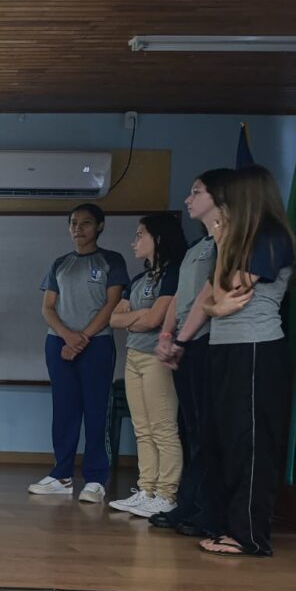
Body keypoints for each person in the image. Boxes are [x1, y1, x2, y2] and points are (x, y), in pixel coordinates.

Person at [193, 165, 296, 557]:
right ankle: (229, 526)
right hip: (226, 348)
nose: (222, 205)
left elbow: (227, 292)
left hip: (256, 349)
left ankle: (250, 534)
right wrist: (215, 305)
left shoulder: (271, 238)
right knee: (223, 441)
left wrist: (217, 303)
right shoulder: (237, 240)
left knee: (250, 443)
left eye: (227, 197)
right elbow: (212, 302)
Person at [30, 203, 130, 504]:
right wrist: (68, 337)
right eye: (73, 223)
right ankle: (61, 475)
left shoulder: (112, 260)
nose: (78, 228)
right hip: (59, 343)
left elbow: (111, 304)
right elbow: (48, 307)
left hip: (96, 345)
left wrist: (83, 337)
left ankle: (96, 479)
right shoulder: (60, 263)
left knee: (96, 410)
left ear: (99, 226)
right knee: (64, 409)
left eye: (85, 223)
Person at [152, 169, 230, 538]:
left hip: (206, 343)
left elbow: (210, 297)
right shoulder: (198, 248)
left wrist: (183, 339)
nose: (187, 199)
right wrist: (168, 335)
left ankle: (206, 510)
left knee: (205, 432)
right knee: (189, 429)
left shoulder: (225, 245)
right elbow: (183, 296)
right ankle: (188, 503)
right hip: (184, 340)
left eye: (195, 191)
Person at [108, 214, 187, 518]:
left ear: (159, 239)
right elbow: (115, 319)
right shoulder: (140, 279)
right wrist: (138, 320)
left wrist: (138, 319)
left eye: (140, 235)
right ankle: (146, 489)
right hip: (134, 356)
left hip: (158, 358)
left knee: (163, 427)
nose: (134, 242)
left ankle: (166, 493)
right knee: (142, 428)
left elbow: (157, 319)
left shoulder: (173, 274)